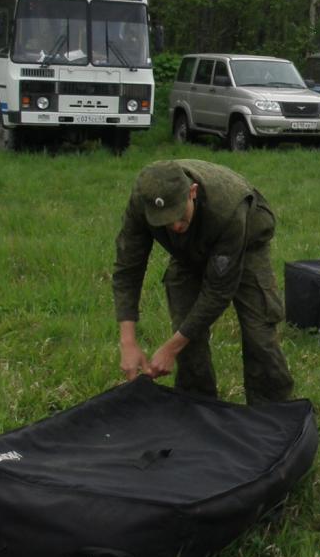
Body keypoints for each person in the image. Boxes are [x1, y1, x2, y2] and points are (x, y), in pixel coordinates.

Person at [113, 159, 295, 404]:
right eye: (164, 222)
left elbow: (218, 292)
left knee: (259, 334)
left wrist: (170, 348)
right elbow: (128, 267)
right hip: (188, 252)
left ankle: (272, 414)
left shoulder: (228, 208)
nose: (175, 226)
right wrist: (128, 341)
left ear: (193, 192)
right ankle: (198, 407)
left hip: (245, 245)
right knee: (186, 329)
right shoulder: (143, 200)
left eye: (178, 215)